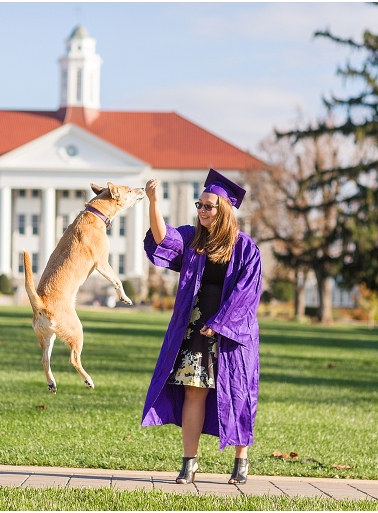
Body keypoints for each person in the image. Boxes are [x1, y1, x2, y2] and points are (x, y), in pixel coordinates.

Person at [141, 168, 262, 485]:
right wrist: (154, 202)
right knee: (193, 392)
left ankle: (241, 460)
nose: (202, 210)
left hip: (232, 336)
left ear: (224, 210)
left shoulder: (246, 248)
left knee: (237, 394)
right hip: (195, 330)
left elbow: (247, 294)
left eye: (209, 206)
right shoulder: (193, 240)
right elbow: (162, 238)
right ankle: (189, 463)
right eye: (200, 205)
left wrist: (221, 324)